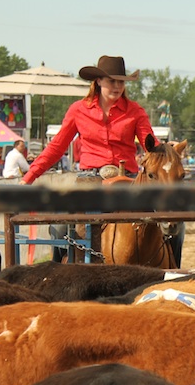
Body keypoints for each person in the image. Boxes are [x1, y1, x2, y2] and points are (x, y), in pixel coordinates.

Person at [19, 55, 178, 263]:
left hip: (128, 179)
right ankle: (58, 272)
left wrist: (165, 152)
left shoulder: (135, 111)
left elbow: (150, 145)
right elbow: (57, 147)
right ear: (98, 81)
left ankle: (175, 272)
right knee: (59, 227)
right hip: (89, 179)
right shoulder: (78, 110)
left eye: (121, 81)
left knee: (175, 224)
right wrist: (28, 178)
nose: (117, 86)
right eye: (112, 81)